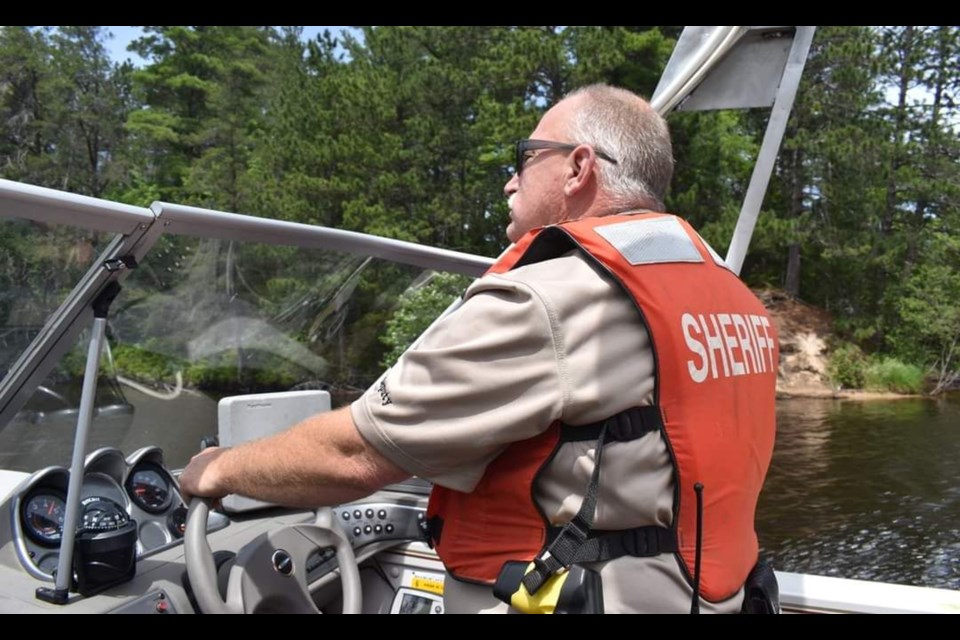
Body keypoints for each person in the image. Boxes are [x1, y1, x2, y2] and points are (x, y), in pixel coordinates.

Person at [179, 83, 779, 614]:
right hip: (709, 595)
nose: (510, 178)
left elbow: (355, 456)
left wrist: (219, 469)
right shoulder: (732, 297)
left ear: (577, 169)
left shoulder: (549, 298)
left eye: (525, 157)